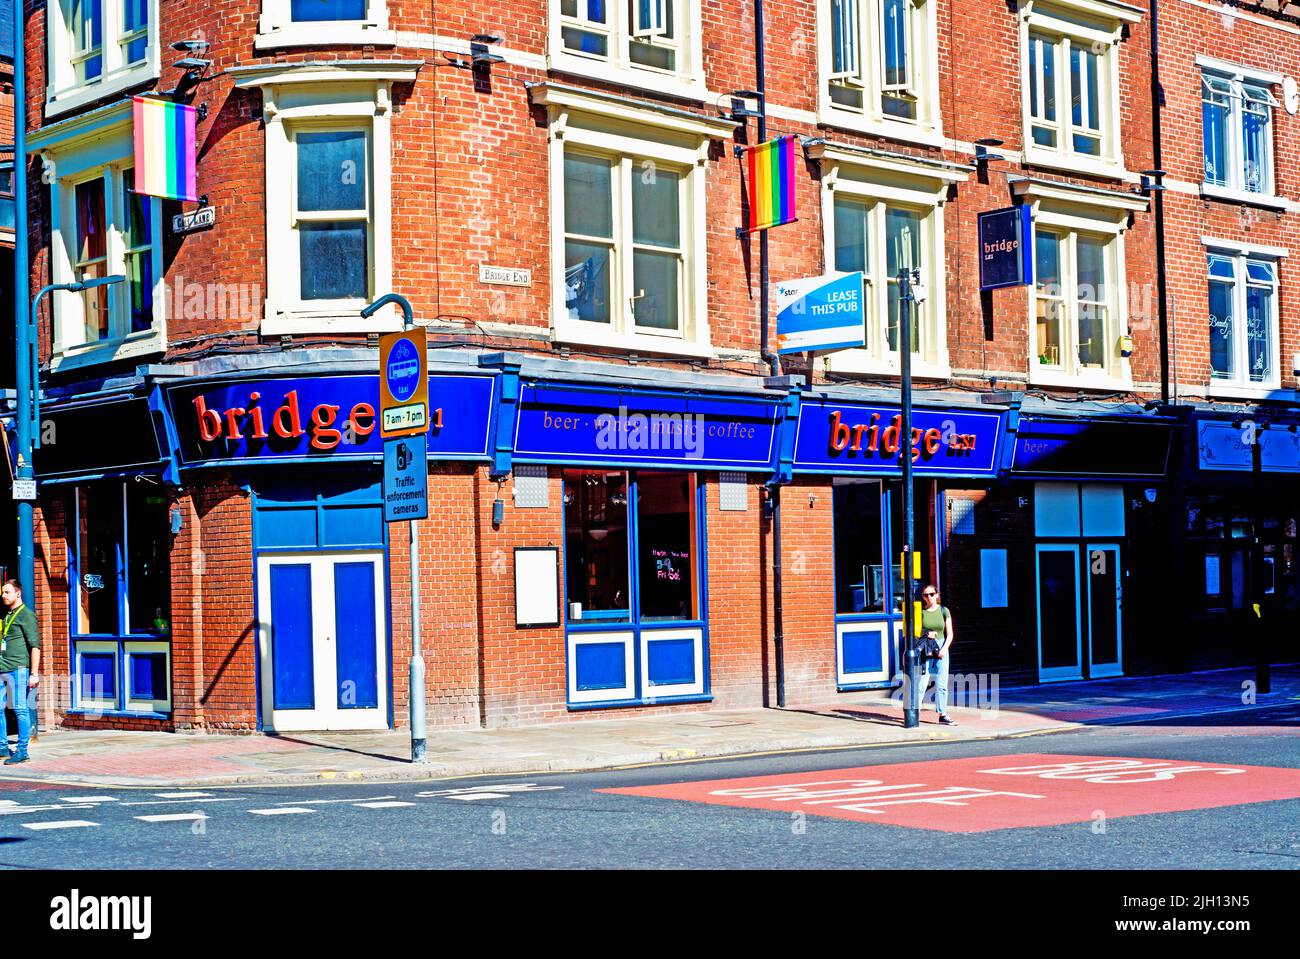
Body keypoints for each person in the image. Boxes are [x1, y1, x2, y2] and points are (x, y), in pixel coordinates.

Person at [0, 579, 41, 764]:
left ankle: (22, 750)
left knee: (20, 710)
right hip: (2, 668)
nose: (3, 595)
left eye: (7, 592)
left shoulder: (27, 615)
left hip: (19, 670)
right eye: (2, 592)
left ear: (18, 593)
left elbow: (35, 647)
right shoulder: (7, 615)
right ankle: (2, 747)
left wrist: (34, 673)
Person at [916, 583, 957, 726]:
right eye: (926, 595)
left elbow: (950, 633)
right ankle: (915, 712)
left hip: (941, 646)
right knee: (922, 681)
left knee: (942, 683)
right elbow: (915, 634)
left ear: (937, 595)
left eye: (932, 594)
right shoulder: (921, 613)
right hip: (927, 647)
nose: (929, 597)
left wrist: (945, 648)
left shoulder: (944, 611)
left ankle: (942, 714)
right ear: (923, 597)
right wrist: (927, 633)